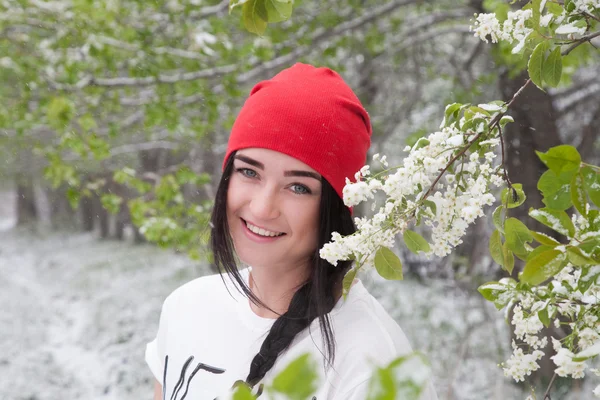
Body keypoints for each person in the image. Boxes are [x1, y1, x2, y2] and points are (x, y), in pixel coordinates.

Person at [145, 63, 438, 400]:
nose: (261, 208)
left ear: (334, 207)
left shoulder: (372, 366)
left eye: (298, 187)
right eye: (249, 173)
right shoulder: (187, 308)